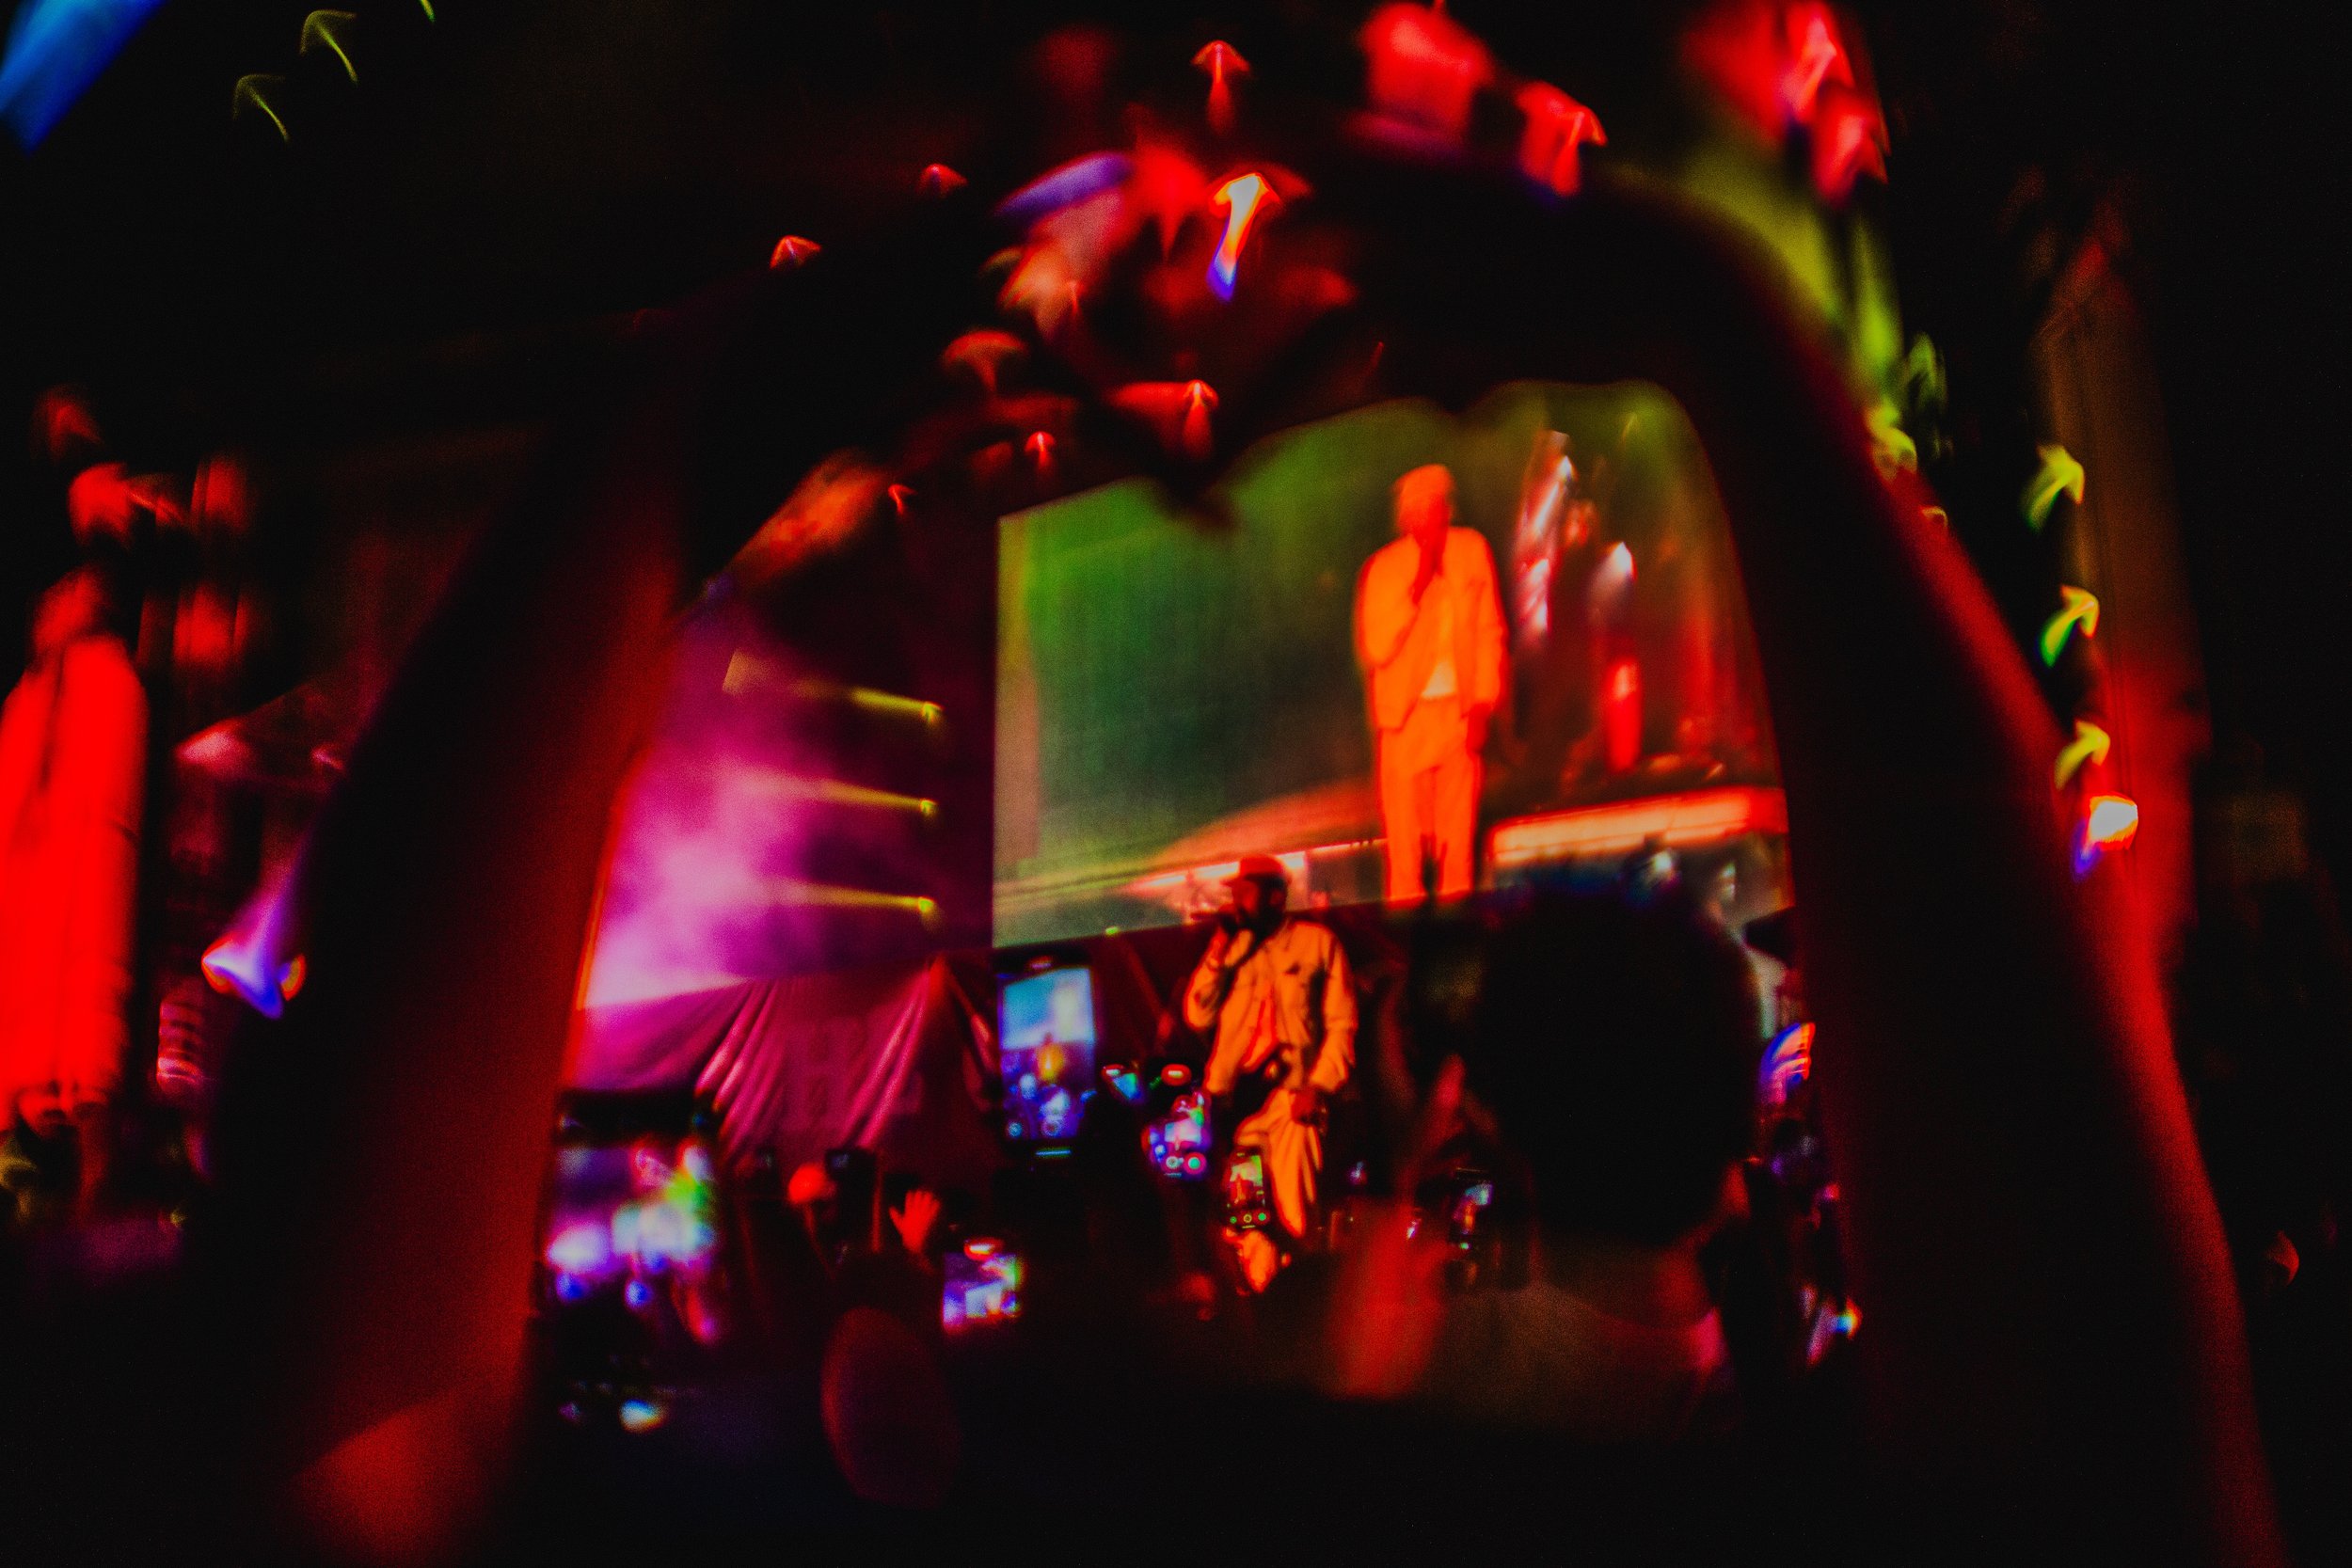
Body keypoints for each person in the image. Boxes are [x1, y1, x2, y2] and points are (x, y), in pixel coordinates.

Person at [1183, 855, 1358, 1247]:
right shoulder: (1232, 948)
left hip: (1293, 1100)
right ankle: (1256, 1297)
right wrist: (1219, 947)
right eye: (1235, 893)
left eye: (1246, 892)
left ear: (1276, 897)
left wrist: (1319, 1086)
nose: (1237, 900)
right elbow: (1197, 1014)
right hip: (1236, 1105)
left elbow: (1341, 1026)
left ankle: (1294, 1292)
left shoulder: (1317, 944)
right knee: (1243, 1223)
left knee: (1293, 1215)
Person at [1355, 463, 1508, 904]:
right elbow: (1377, 647)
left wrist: (1482, 704)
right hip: (1403, 721)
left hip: (1457, 715)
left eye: (1438, 507)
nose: (1432, 518)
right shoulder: (1383, 569)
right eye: (1420, 511)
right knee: (1404, 851)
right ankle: (1407, 947)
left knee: (1457, 843)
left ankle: (1456, 947)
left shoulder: (1471, 550)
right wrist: (1418, 584)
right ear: (1405, 520)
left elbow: (1489, 632)